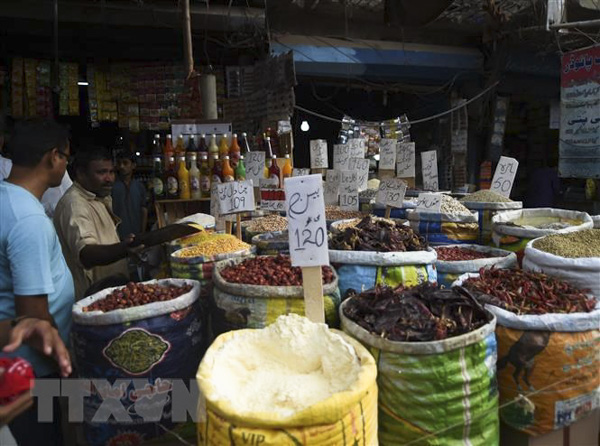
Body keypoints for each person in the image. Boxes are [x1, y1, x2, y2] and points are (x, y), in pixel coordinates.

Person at [0, 119, 75, 444]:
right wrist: (67, 364)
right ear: (53, 157)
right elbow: (34, 321)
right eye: (67, 158)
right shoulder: (28, 220)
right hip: (30, 375)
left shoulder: (7, 199)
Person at [54, 147, 143, 300]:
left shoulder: (98, 197)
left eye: (111, 172)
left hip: (110, 294)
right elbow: (86, 253)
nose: (109, 178)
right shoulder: (74, 203)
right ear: (81, 174)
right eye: (101, 172)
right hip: (92, 298)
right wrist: (125, 249)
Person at [0, 115, 73, 217]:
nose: (65, 164)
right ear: (55, 157)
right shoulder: (33, 220)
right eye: (66, 158)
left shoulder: (5, 198)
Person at [112, 151, 148, 240]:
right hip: (117, 235)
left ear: (133, 165)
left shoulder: (139, 186)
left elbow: (144, 210)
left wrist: (142, 232)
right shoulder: (111, 186)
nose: (121, 166)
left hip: (136, 233)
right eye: (119, 163)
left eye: (125, 163)